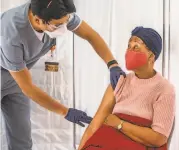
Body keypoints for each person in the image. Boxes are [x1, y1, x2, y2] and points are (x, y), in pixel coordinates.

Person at [0, 0, 125, 149]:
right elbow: (28, 88)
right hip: (15, 77)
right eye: (58, 25)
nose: (64, 28)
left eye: (66, 22)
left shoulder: (56, 13)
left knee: (22, 139)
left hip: (17, 80)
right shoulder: (11, 33)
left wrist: (112, 64)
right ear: (38, 20)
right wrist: (65, 112)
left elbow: (90, 35)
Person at [78, 27, 175, 150]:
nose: (129, 52)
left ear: (151, 56)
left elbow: (159, 138)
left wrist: (119, 124)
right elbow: (94, 126)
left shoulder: (164, 89)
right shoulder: (119, 82)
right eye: (128, 47)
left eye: (136, 48)